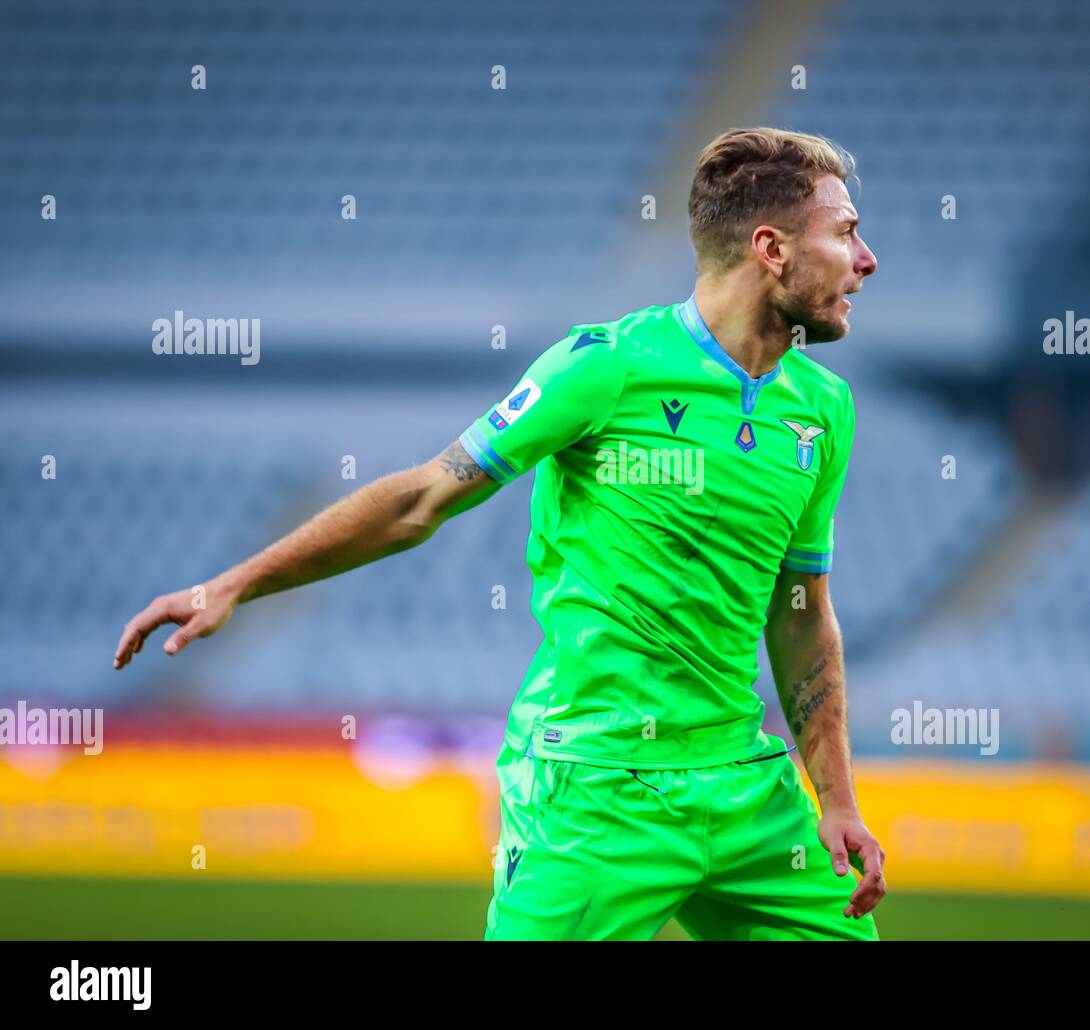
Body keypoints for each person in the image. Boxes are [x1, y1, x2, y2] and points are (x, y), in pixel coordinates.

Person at [114, 126, 884, 940]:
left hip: (744, 787)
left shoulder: (823, 411)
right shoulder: (605, 367)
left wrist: (835, 798)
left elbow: (799, 609)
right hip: (594, 788)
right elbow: (420, 500)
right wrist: (237, 583)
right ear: (769, 248)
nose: (865, 259)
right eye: (845, 233)